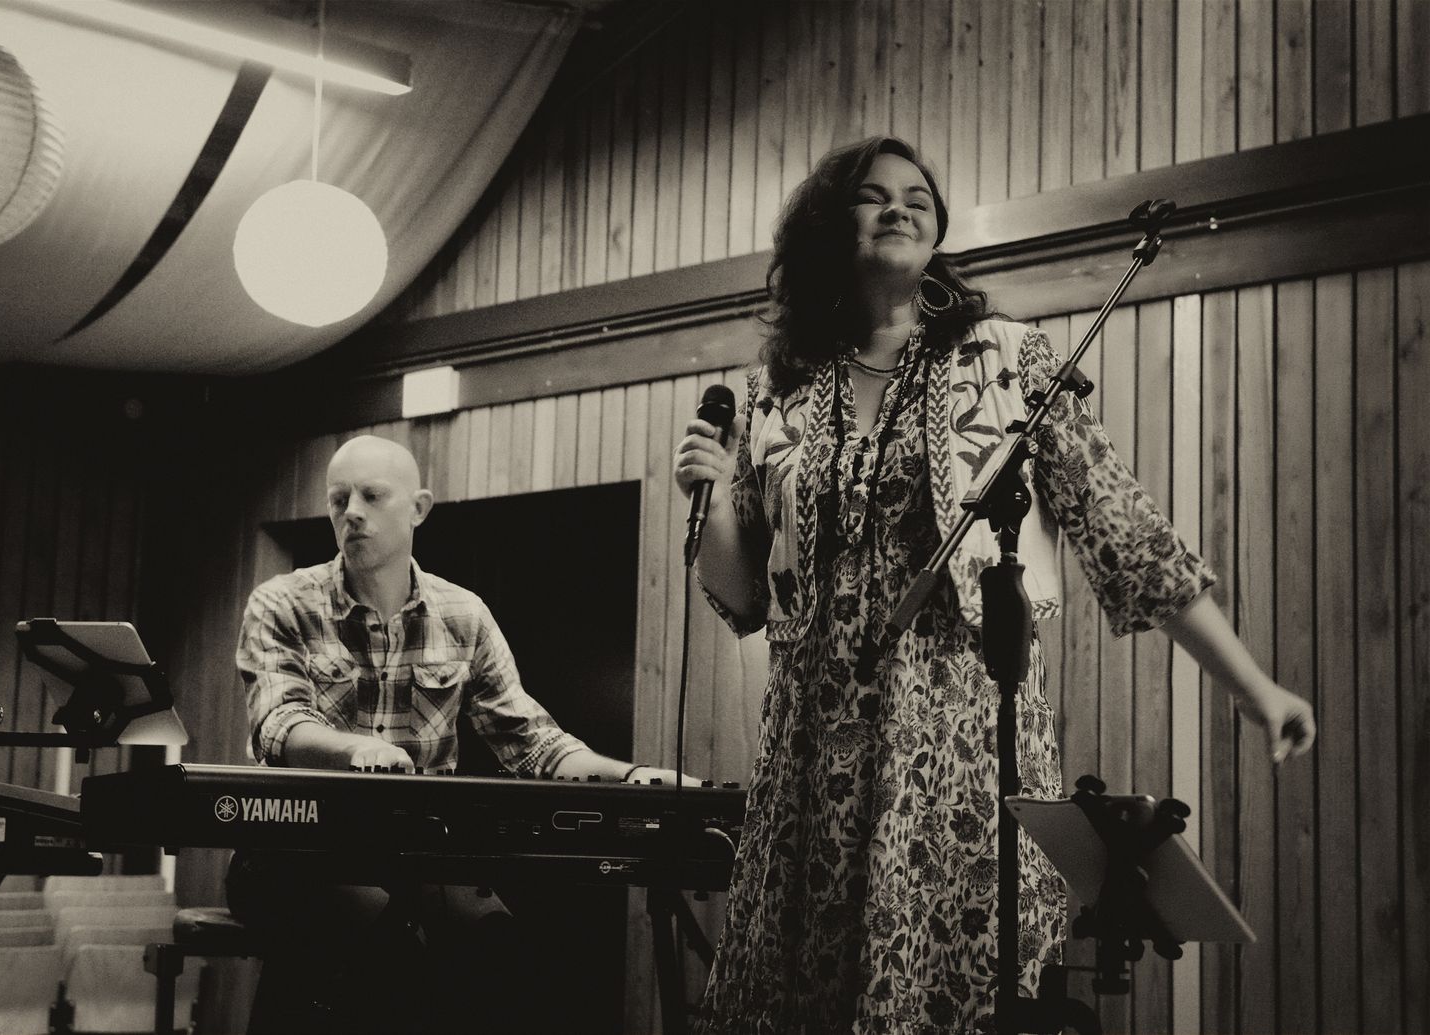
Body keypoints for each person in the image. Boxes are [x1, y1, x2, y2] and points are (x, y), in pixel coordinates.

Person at [673, 137, 1317, 1034]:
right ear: (826, 224)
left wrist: (1251, 685)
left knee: (954, 991)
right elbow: (742, 595)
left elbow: (1126, 531)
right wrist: (707, 496)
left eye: (918, 196)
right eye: (872, 195)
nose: (900, 207)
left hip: (957, 740)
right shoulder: (775, 392)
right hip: (812, 751)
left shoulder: (1006, 361)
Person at [230, 434, 686, 1034]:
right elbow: (279, 724)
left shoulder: (463, 614)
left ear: (418, 508)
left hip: (415, 851)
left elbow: (534, 743)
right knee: (387, 950)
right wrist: (359, 750)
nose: (352, 513)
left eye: (372, 496)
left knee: (501, 952)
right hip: (296, 849)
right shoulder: (283, 602)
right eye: (339, 500)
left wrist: (631, 777)